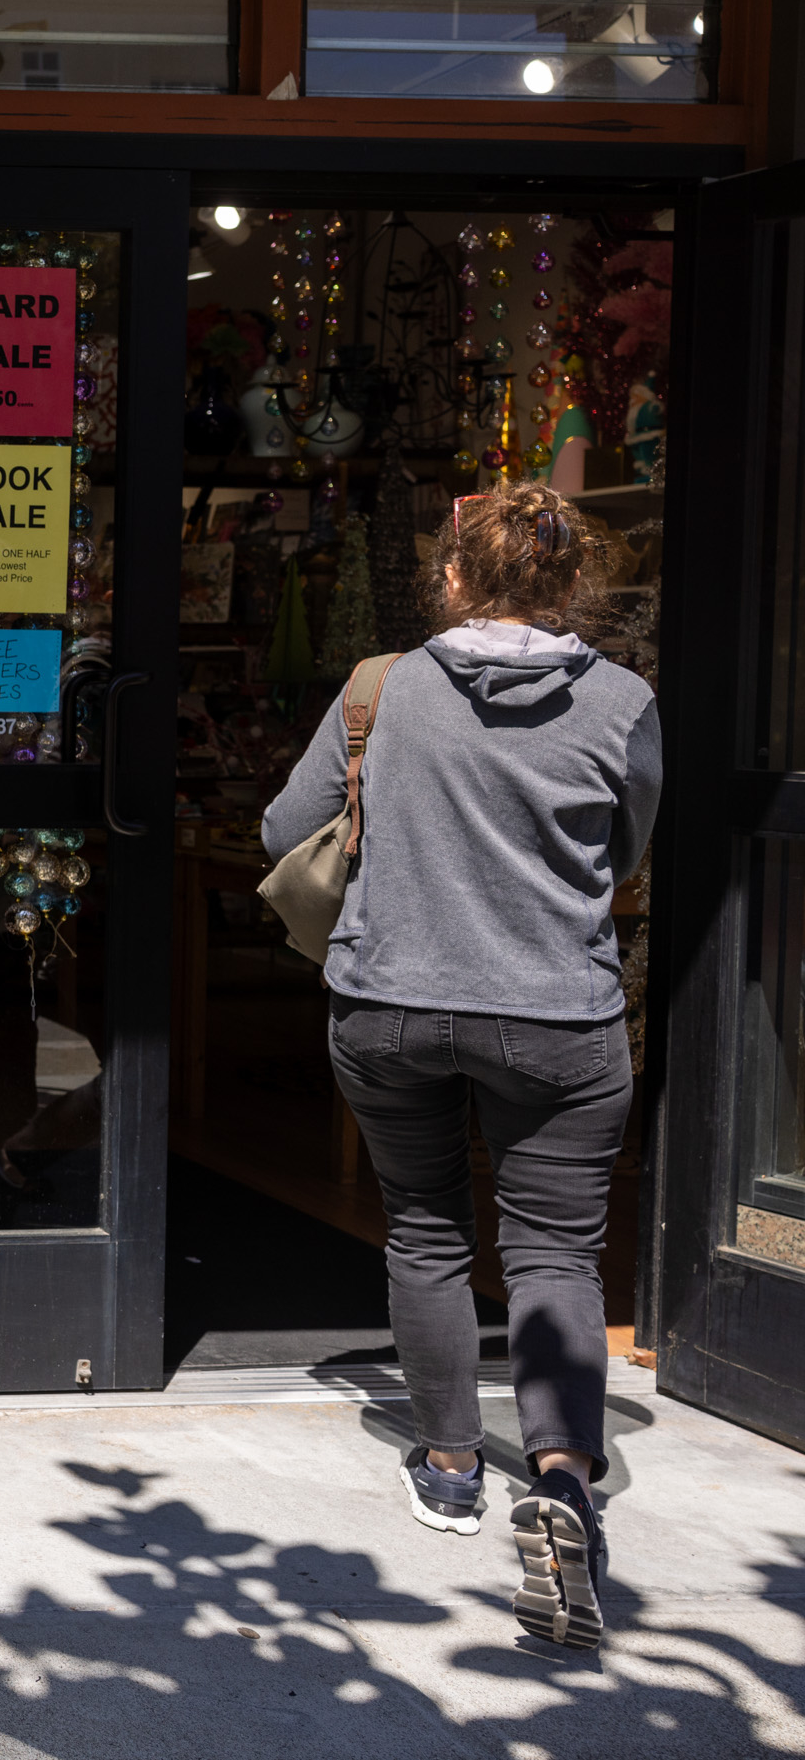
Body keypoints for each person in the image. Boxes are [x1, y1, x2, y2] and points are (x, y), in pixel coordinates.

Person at [263, 483, 661, 1653]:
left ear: (449, 577)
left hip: (391, 1004)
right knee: (555, 1249)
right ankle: (562, 1480)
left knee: (428, 1226)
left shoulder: (380, 690)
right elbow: (625, 845)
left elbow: (290, 827)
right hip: (557, 1017)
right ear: (573, 583)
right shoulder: (626, 700)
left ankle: (446, 1467)